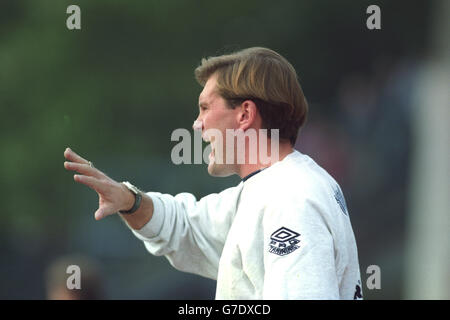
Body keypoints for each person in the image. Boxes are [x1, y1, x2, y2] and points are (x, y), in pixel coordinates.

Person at [64, 47, 363, 299]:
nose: (197, 124)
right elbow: (186, 228)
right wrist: (130, 200)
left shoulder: (291, 198)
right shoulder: (271, 189)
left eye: (205, 108)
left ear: (245, 114)